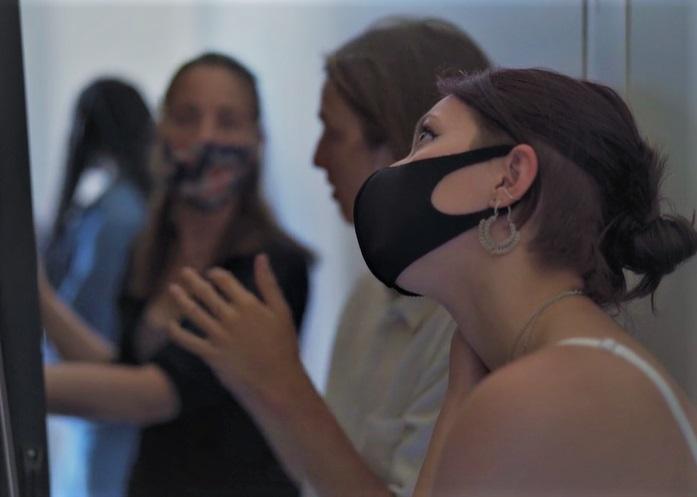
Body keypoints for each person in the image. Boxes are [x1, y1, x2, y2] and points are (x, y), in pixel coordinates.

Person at [170, 67, 697, 496]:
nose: (400, 168)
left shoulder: (544, 391)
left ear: (509, 178)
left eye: (427, 137)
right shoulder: (544, 369)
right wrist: (459, 395)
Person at [167, 18, 490, 497]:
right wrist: (256, 381)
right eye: (185, 116)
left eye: (332, 134)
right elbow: (318, 473)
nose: (318, 158)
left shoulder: (465, 326)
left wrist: (282, 382)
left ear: (402, 147)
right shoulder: (370, 293)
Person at [40, 52, 311, 497]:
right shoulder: (147, 252)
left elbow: (155, 393)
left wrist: (23, 388)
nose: (205, 137)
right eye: (187, 117)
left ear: (257, 140)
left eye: (227, 121)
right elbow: (122, 368)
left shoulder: (271, 267)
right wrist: (36, 296)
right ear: (160, 129)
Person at [42, 77, 153, 497]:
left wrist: (40, 298)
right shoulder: (118, 207)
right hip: (102, 412)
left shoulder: (117, 216)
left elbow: (89, 323)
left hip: (107, 407)